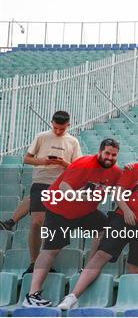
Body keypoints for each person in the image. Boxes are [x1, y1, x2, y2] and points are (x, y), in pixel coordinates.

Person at [57, 138, 138, 310]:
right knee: (101, 255)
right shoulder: (134, 168)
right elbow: (118, 192)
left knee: (136, 266)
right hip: (123, 218)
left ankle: (134, 305)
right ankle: (73, 296)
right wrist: (127, 210)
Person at [23, 139, 122, 307]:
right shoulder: (84, 164)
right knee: (50, 250)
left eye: (114, 155)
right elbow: (63, 186)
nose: (110, 158)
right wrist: (78, 196)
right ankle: (32, 295)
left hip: (85, 212)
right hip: (59, 210)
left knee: (104, 228)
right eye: (107, 153)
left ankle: (88, 266)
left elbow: (123, 186)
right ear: (99, 151)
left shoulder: (115, 172)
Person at [15, 111, 82, 275]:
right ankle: (33, 262)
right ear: (51, 123)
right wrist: (43, 161)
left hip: (60, 185)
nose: (58, 131)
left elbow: (78, 168)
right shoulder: (42, 136)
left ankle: (44, 263)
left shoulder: (73, 141)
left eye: (62, 129)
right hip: (41, 181)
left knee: (50, 225)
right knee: (37, 222)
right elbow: (27, 159)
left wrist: (63, 163)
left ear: (68, 125)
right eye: (55, 128)